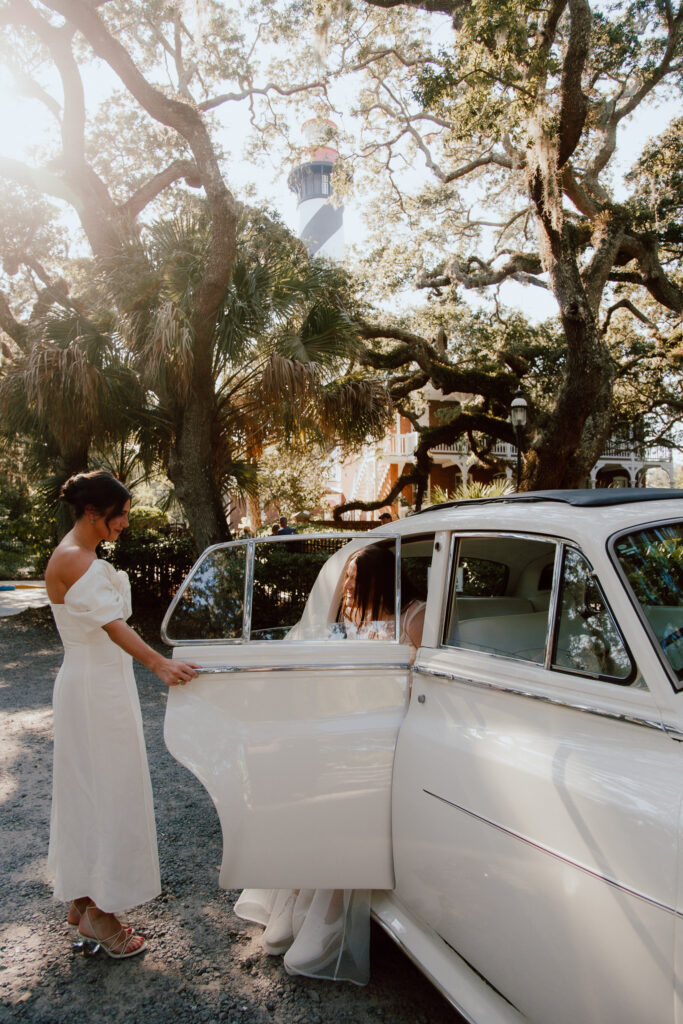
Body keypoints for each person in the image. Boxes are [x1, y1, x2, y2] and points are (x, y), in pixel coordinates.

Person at [234, 543, 425, 984]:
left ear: (382, 579)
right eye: (347, 581)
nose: (348, 589)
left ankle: (329, 918)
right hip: (347, 730)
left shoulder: (416, 616)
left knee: (350, 815)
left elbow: (422, 685)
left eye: (356, 581)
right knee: (313, 806)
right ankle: (299, 904)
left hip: (392, 734)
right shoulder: (349, 617)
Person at [44, 471, 199, 959]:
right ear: (94, 512)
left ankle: (84, 900)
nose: (127, 523)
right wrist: (159, 662)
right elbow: (112, 626)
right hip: (93, 689)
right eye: (122, 514)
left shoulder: (81, 555)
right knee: (105, 792)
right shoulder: (74, 558)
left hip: (101, 685)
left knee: (94, 788)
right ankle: (99, 915)